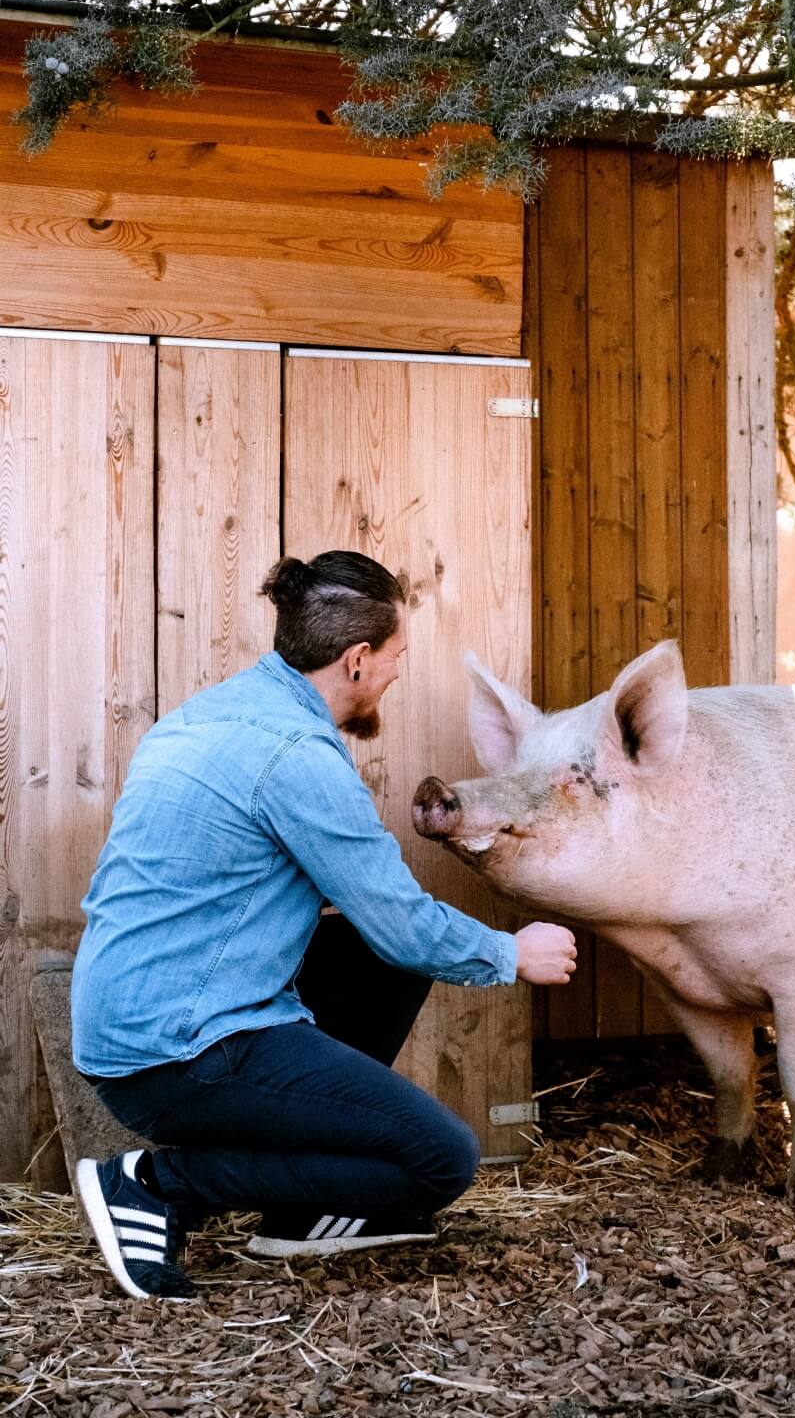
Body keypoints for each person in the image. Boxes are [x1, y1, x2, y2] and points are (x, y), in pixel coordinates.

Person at [71, 551, 577, 1302]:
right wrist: (511, 952)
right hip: (180, 1051)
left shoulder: (217, 711)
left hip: (134, 1017)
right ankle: (156, 1185)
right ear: (358, 660)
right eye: (398, 657)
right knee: (438, 1161)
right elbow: (404, 924)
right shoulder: (296, 758)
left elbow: (371, 930)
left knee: (379, 958)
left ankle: (301, 1212)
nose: (400, 675)